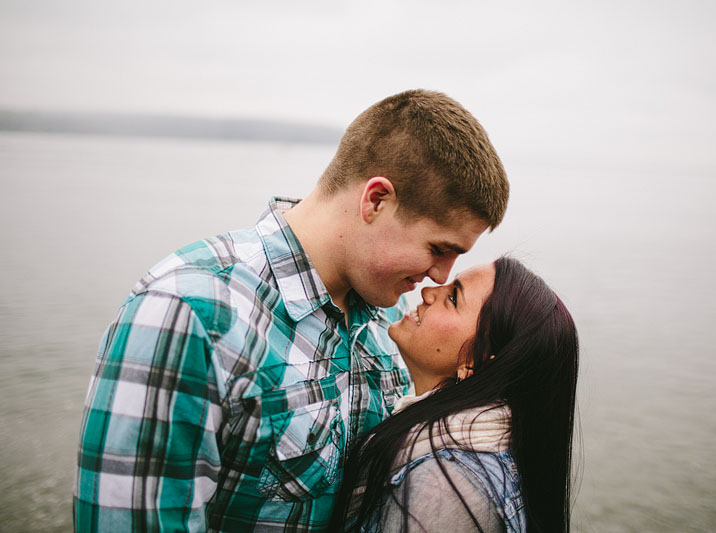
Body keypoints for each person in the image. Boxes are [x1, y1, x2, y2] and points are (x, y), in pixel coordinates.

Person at [73, 89, 508, 532]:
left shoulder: (383, 320)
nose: (441, 276)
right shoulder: (190, 314)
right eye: (438, 248)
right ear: (375, 201)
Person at [328, 256, 579, 533]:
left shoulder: (443, 483)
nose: (427, 291)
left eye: (453, 298)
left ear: (477, 359)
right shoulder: (482, 442)